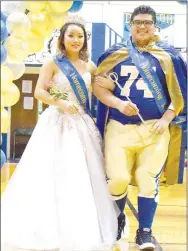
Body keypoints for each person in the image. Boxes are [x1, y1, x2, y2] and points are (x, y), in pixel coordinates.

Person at [1, 15, 119, 251]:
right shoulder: (52, 63)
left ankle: (81, 227)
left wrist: (113, 87)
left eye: (80, 36)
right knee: (52, 173)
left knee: (82, 175)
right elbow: (39, 93)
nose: (76, 40)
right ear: (63, 38)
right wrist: (62, 103)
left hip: (82, 123)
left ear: (85, 40)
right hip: (56, 123)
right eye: (71, 35)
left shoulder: (90, 66)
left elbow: (100, 91)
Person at [93, 5, 187, 250]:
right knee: (118, 178)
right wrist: (117, 103)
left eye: (147, 22)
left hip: (155, 131)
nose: (142, 26)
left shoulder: (170, 57)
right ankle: (118, 222)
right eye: (137, 22)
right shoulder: (114, 54)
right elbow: (98, 87)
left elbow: (180, 96)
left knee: (147, 179)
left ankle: (144, 232)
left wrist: (166, 120)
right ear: (130, 26)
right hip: (119, 127)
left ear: (156, 27)